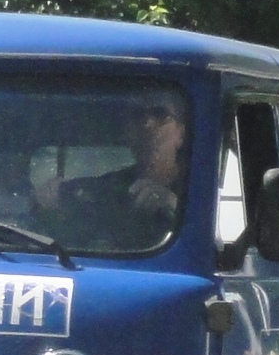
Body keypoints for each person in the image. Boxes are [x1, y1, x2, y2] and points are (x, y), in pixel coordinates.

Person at [36, 100, 187, 251]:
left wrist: (174, 208)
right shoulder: (110, 186)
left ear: (180, 133)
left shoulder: (199, 189)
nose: (147, 123)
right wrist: (52, 198)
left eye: (161, 114)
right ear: (127, 133)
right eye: (136, 115)